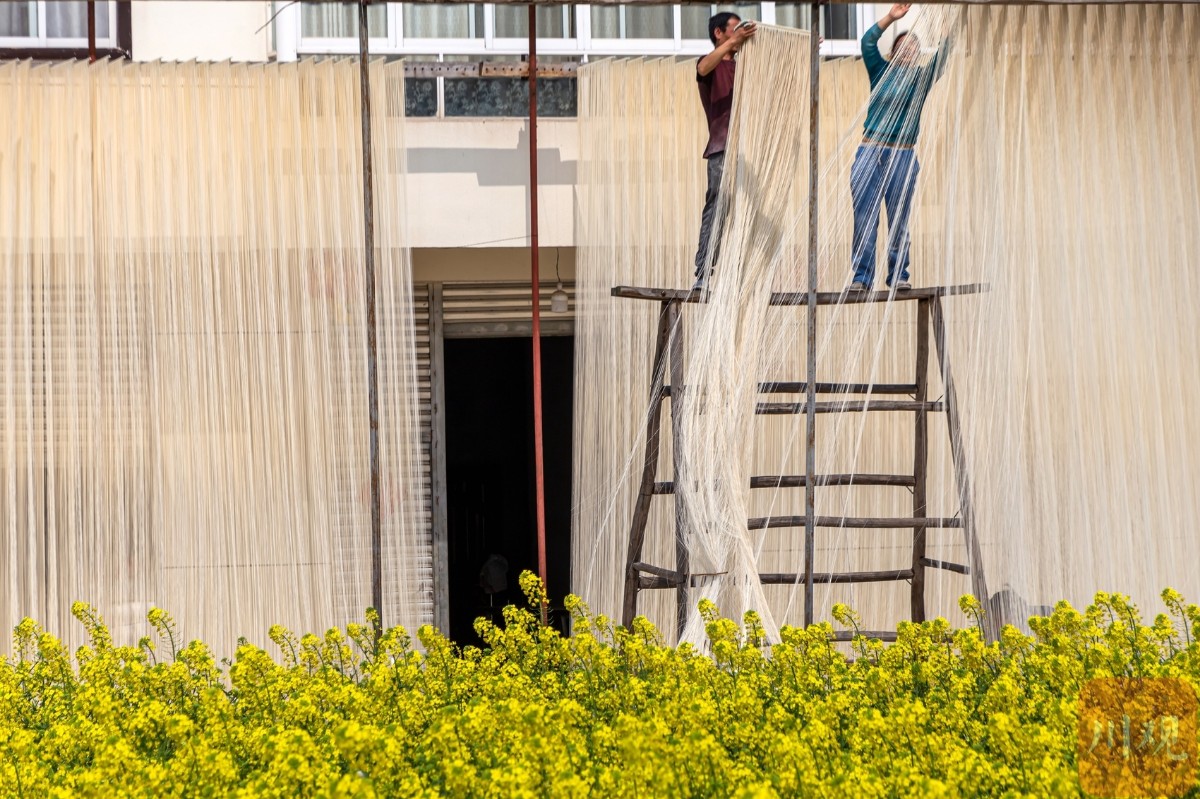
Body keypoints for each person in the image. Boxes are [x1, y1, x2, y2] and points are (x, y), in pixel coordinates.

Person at [848, 4, 948, 293]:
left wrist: (944, 27)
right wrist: (891, 17)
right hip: (871, 151)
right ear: (892, 53)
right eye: (903, 47)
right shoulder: (880, 71)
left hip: (903, 153)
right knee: (864, 217)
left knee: (899, 217)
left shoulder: (920, 81)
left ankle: (899, 275)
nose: (908, 51)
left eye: (913, 48)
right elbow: (867, 41)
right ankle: (861, 278)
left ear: (917, 55)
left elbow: (943, 55)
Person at [693, 13, 756, 289]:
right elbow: (704, 67)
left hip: (749, 151)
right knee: (717, 208)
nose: (741, 32)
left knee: (745, 211)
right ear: (719, 33)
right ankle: (704, 273)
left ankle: (741, 274)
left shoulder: (747, 64)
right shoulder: (712, 65)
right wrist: (732, 45)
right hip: (722, 148)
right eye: (735, 28)